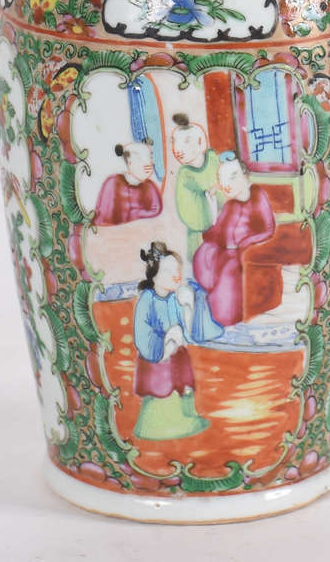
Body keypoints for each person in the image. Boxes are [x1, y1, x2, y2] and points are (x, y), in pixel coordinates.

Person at [133, 241, 223, 440]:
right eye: (169, 271)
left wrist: (189, 307)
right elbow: (142, 334)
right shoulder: (147, 300)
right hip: (157, 359)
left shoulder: (175, 298)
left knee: (183, 387)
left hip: (178, 356)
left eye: (178, 270)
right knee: (163, 390)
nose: (176, 275)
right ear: (154, 275)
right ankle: (158, 426)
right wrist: (165, 344)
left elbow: (189, 333)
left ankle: (186, 417)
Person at [193, 153, 275, 327]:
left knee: (226, 284)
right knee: (205, 253)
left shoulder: (257, 195)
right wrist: (212, 206)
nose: (226, 185)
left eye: (232, 177)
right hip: (222, 253)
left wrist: (246, 243)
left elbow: (269, 229)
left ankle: (221, 311)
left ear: (244, 176)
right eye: (221, 179)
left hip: (239, 257)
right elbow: (214, 234)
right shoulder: (230, 205)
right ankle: (207, 298)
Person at [172, 113, 223, 260]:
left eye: (186, 141)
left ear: (200, 142)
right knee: (202, 260)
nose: (178, 149)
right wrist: (212, 191)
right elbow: (189, 208)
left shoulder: (213, 159)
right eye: (174, 142)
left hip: (222, 224)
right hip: (199, 232)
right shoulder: (185, 174)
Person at [94, 141, 162, 226]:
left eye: (150, 158)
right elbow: (103, 219)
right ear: (129, 162)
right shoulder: (112, 183)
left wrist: (136, 213)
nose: (148, 163)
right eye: (140, 159)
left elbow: (156, 211)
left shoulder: (150, 186)